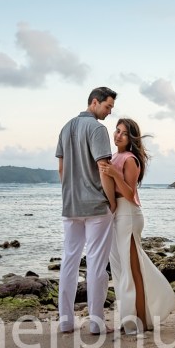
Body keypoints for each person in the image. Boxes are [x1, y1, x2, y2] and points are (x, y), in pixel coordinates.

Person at [99, 118, 175, 334]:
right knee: (120, 270)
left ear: (131, 138)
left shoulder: (130, 159)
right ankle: (128, 319)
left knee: (133, 271)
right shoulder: (113, 156)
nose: (118, 136)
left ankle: (141, 321)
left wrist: (115, 174)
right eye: (117, 131)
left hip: (129, 215)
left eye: (124, 133)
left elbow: (129, 193)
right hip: (116, 215)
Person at [55, 86, 117, 334]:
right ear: (94, 102)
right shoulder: (97, 129)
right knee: (96, 264)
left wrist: (70, 193)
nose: (109, 112)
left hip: (70, 205)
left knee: (69, 261)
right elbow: (103, 167)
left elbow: (61, 169)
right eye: (107, 106)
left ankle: (66, 321)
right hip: (95, 206)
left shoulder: (66, 127)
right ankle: (96, 323)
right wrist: (111, 201)